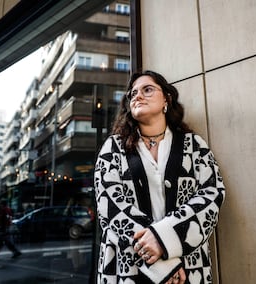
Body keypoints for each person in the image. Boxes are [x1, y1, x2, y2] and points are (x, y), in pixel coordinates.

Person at [94, 70, 225, 284]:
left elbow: (212, 194)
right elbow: (108, 205)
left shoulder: (193, 145)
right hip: (130, 268)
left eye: (147, 89)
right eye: (133, 93)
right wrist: (164, 265)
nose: (137, 95)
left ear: (166, 98)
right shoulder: (113, 148)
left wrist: (166, 240)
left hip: (188, 267)